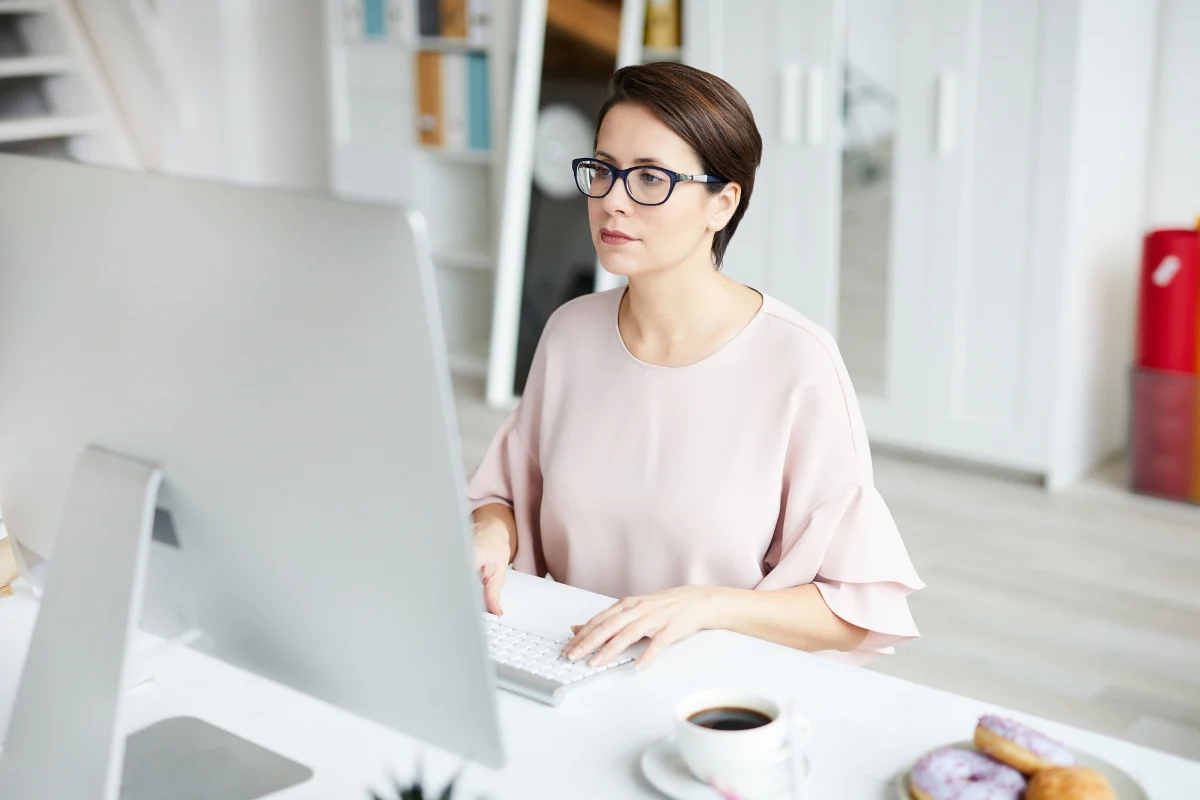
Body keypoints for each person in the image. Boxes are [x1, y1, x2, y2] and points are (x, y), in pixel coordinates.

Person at [467, 62, 923, 671]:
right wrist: (492, 534)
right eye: (601, 170)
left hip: (714, 694)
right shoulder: (569, 334)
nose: (612, 200)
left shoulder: (797, 363)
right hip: (563, 664)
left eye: (650, 178)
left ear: (722, 202)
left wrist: (706, 606)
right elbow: (504, 495)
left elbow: (854, 607)